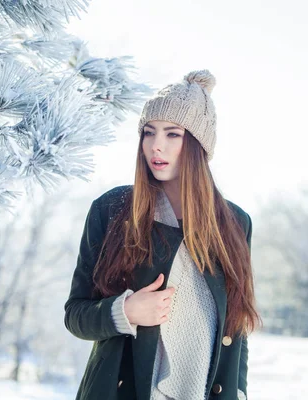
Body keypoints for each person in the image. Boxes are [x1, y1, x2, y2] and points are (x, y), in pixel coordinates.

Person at [64, 69, 261, 400]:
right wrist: (124, 312)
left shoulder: (235, 223)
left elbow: (237, 328)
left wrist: (238, 390)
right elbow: (76, 315)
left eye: (173, 135)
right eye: (148, 133)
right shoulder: (111, 210)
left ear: (198, 144)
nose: (156, 146)